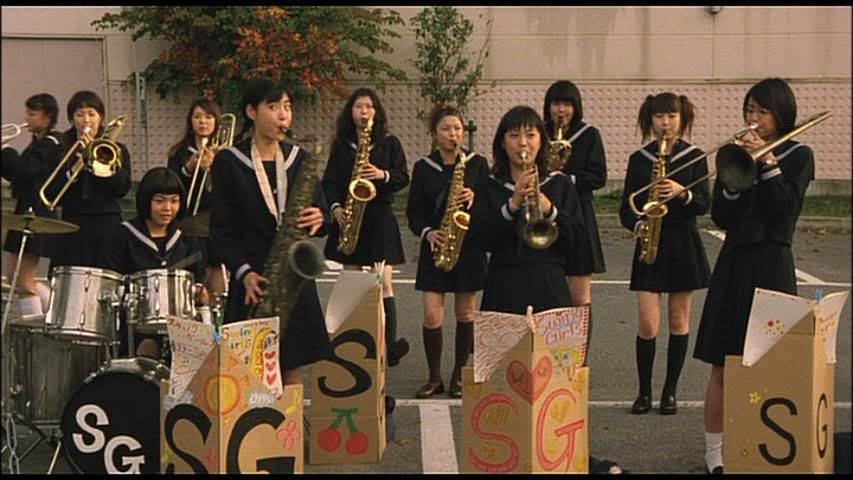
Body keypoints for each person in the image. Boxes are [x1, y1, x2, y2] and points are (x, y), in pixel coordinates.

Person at [693, 78, 814, 474]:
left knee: (771, 363)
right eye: (749, 110)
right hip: (735, 261)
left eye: (762, 111)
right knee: (723, 366)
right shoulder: (736, 152)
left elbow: (782, 210)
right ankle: (715, 452)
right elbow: (722, 215)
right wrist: (734, 178)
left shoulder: (799, 154)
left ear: (781, 114)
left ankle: (763, 447)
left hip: (773, 262)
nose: (754, 118)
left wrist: (767, 162)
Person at [210, 77, 331, 386]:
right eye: (273, 107)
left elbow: (323, 214)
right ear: (251, 112)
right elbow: (221, 232)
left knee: (292, 367)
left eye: (287, 107)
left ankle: (291, 419)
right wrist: (245, 273)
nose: (283, 115)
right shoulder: (229, 162)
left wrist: (320, 217)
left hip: (294, 274)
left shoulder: (299, 158)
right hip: (255, 279)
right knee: (249, 373)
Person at [619, 92, 711, 417]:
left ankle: (669, 392)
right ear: (650, 120)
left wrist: (682, 193)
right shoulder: (640, 158)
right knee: (648, 323)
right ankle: (644, 392)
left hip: (683, 243)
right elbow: (626, 208)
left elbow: (704, 204)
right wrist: (637, 224)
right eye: (659, 116)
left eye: (671, 116)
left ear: (682, 119)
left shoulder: (694, 157)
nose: (665, 123)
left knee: (678, 320)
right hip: (650, 243)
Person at [321, 87, 411, 366]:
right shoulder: (342, 146)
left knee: (383, 281)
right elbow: (329, 182)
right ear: (351, 112)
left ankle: (389, 345)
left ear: (376, 112)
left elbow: (402, 177)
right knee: (351, 280)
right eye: (359, 107)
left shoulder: (389, 143)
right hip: (349, 216)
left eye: (369, 107)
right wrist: (335, 208)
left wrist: (382, 174)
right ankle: (352, 340)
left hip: (379, 217)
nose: (364, 112)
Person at [406, 104, 490, 398]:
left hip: (469, 246)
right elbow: (414, 212)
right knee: (432, 315)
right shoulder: (423, 168)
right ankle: (434, 377)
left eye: (457, 128)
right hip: (437, 244)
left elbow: (491, 205)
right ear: (434, 133)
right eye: (446, 129)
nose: (453, 134)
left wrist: (476, 196)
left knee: (466, 312)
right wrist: (428, 232)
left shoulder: (477, 164)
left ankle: (458, 375)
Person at [468, 105, 584, 316]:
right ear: (502, 143)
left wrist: (550, 210)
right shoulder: (488, 186)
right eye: (514, 136)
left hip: (550, 283)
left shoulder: (560, 184)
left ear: (541, 141)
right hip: (503, 284)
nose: (523, 143)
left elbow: (577, 240)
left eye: (531, 135)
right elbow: (479, 240)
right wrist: (511, 205)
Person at [101, 167, 207, 360]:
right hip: (136, 323)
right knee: (147, 346)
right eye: (160, 201)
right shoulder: (123, 234)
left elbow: (197, 274)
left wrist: (200, 289)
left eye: (174, 201)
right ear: (146, 201)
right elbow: (112, 280)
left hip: (181, 323)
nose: (168, 208)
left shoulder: (186, 235)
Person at [542, 80, 607, 364]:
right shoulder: (539, 133)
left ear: (576, 107)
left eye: (567, 104)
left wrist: (566, 179)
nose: (561, 110)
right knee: (548, 290)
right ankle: (549, 357)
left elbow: (598, 177)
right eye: (556, 104)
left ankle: (578, 360)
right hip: (546, 213)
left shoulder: (589, 135)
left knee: (580, 295)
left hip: (579, 212)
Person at [47, 90, 132, 269]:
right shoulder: (60, 149)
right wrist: (75, 168)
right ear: (72, 120)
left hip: (106, 221)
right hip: (72, 223)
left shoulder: (116, 149)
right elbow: (52, 193)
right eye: (80, 114)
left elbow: (122, 188)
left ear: (101, 117)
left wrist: (99, 163)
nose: (86, 120)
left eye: (92, 114)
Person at [1, 93, 62, 313]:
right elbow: (16, 175)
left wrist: (5, 150)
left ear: (47, 117)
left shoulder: (51, 143)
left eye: (32, 114)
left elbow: (24, 169)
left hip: (37, 210)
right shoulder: (37, 143)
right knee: (14, 276)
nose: (27, 119)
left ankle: (39, 319)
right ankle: (51, 310)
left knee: (23, 279)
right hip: (25, 208)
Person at [166, 98, 227, 296]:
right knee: (191, 271)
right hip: (188, 220)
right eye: (197, 117)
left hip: (216, 220)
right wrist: (188, 168)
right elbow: (171, 187)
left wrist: (216, 166)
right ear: (190, 122)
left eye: (208, 117)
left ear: (216, 121)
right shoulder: (178, 153)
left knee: (218, 269)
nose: (203, 122)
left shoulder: (226, 153)